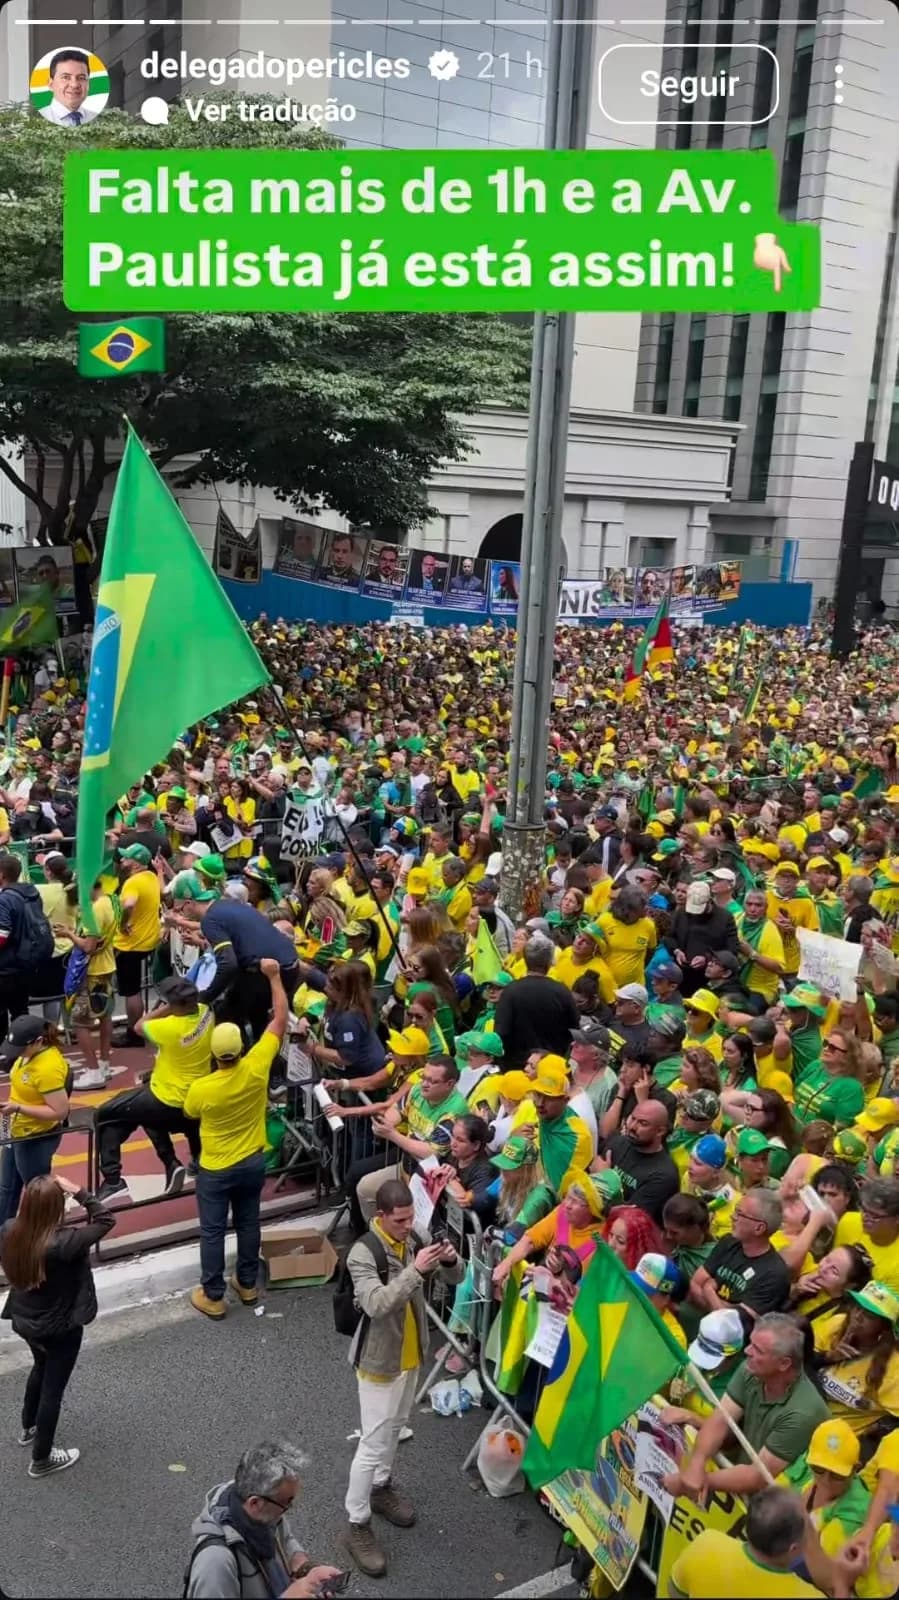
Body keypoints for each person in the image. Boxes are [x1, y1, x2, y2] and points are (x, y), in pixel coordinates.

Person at [343, 1178, 463, 1577]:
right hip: (379, 1363)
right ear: (381, 1217)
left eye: (412, 1217)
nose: (408, 1225)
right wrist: (415, 1270)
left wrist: (448, 1259)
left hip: (411, 1357)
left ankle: (382, 1488)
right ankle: (357, 1523)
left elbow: (455, 1280)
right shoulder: (363, 1252)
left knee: (394, 1430)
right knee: (372, 1443)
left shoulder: (414, 1236)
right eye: (400, 1220)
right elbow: (376, 1304)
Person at [183, 959, 288, 1318]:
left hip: (215, 1168)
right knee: (248, 1223)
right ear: (242, 1047)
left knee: (212, 1232)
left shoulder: (203, 1088)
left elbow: (190, 1114)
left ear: (214, 1054)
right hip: (253, 1162)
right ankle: (246, 1284)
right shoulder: (257, 1066)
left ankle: (212, 1295)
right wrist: (274, 977)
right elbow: (279, 1020)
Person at [0, 1171, 114, 1477]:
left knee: (40, 1367)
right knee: (53, 1390)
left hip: (25, 1321)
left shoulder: (10, 1229)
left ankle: (28, 1427)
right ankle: (42, 1459)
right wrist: (78, 1190)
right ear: (54, 1208)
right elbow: (105, 1219)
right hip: (59, 1328)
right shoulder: (65, 1242)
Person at [665, 1313, 831, 1502]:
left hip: (777, 1507)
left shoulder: (803, 1412)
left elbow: (758, 1476)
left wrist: (692, 1481)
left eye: (758, 1350)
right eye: (750, 1343)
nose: (747, 1351)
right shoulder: (750, 1369)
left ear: (784, 1363)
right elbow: (720, 1420)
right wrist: (696, 1464)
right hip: (744, 1488)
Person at [94, 976, 212, 1204]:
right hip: (194, 1094)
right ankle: (175, 1163)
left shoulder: (170, 1027)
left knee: (104, 1115)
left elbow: (138, 1026)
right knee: (142, 1112)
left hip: (168, 1098)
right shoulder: (207, 1012)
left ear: (173, 1005)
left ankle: (113, 1180)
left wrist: (164, 1008)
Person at [187, 1440, 343, 1599]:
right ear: (255, 1503)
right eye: (287, 1502)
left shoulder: (264, 1507)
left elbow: (285, 1539)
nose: (289, 1508)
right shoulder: (215, 1564)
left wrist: (305, 1569)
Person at [666, 1484, 858, 1599]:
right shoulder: (806, 1595)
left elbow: (675, 1591)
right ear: (793, 1549)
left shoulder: (705, 1544)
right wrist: (840, 1584)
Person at [0, 1016, 70, 1225]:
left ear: (38, 1041)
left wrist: (19, 1107)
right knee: (7, 1187)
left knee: (38, 1194)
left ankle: (45, 1237)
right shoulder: (28, 1055)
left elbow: (59, 1112)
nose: (16, 1052)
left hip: (36, 1137)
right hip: (17, 1130)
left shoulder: (48, 1068)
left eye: (20, 1048)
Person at [689, 1187, 792, 1319]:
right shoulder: (728, 1242)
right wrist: (721, 1307)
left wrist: (709, 1290)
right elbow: (695, 1284)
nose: (733, 1217)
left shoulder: (774, 1275)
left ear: (759, 1228)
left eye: (739, 1213)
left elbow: (733, 1322)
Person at [493, 935, 579, 1068]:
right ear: (550, 962)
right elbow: (574, 1031)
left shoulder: (510, 992)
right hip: (552, 1068)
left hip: (515, 1068)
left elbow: (501, 1032)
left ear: (526, 959)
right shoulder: (562, 992)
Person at [594, 1097, 679, 1223]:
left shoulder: (664, 1175)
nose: (632, 1127)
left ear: (660, 1131)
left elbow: (629, 1219)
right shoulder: (618, 1142)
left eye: (643, 1123)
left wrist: (606, 1179)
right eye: (633, 1119)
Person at [113, 842, 162, 1044]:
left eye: (126, 857)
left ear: (136, 863)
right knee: (134, 989)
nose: (123, 860)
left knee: (130, 991)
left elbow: (130, 904)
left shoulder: (132, 883)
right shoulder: (150, 876)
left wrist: (123, 924)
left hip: (130, 945)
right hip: (148, 940)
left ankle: (134, 1034)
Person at [0, 851, 51, 1037]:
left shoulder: (5, 899)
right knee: (20, 1011)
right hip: (26, 961)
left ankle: (6, 1054)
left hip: (5, 967)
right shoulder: (32, 893)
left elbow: (2, 935)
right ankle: (22, 1050)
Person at [39, 48, 103, 127]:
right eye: (66, 77)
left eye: (81, 78)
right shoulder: (37, 121)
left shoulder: (99, 120)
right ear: (51, 84)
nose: (74, 85)